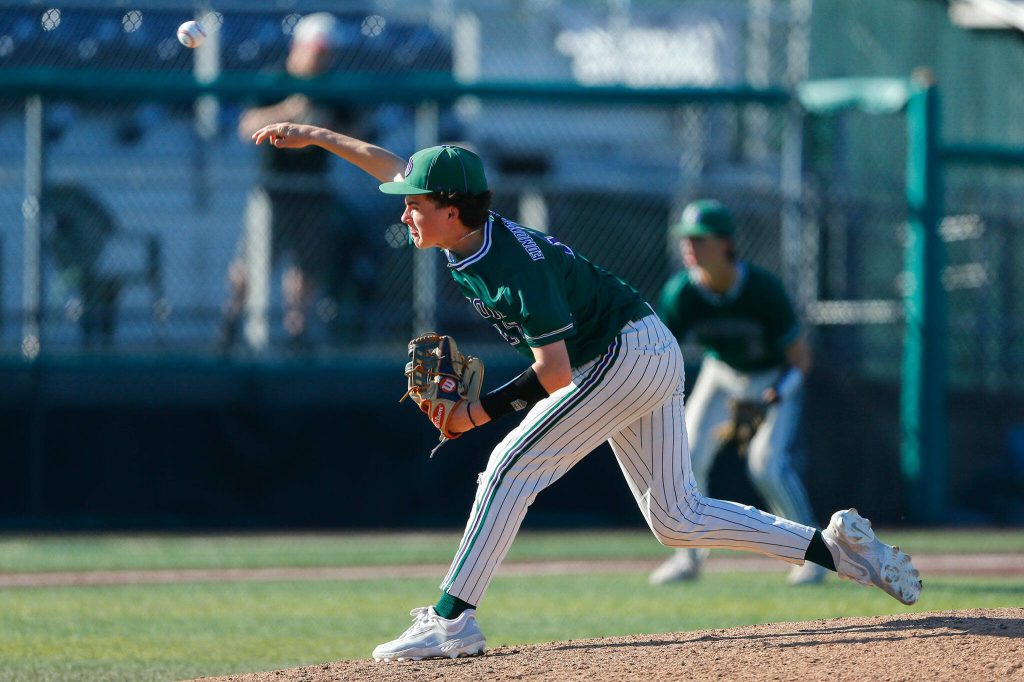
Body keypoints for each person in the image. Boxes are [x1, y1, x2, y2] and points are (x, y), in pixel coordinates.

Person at [250, 122, 922, 662]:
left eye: (417, 206)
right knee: (676, 519)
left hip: (621, 355)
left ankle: (452, 622)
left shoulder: (512, 268)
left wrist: (474, 414)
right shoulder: (466, 230)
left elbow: (554, 374)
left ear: (452, 210)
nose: (405, 214)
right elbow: (391, 164)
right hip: (644, 346)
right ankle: (842, 552)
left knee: (509, 468)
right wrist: (317, 137)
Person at [648, 199, 824, 587]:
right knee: (687, 458)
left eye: (700, 239)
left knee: (767, 465)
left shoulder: (762, 290)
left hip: (774, 380)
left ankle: (815, 556)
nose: (690, 247)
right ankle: (688, 559)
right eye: (686, 240)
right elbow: (660, 353)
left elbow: (801, 359)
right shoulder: (682, 294)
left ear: (726, 243)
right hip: (722, 375)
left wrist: (775, 395)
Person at [220, 12, 375, 352]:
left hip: (314, 189)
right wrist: (287, 111)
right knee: (250, 262)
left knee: (307, 263)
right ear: (299, 47)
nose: (323, 58)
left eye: (327, 52)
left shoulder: (333, 87)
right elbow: (246, 127)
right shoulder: (274, 80)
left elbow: (360, 132)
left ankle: (296, 332)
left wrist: (325, 128)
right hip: (273, 189)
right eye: (317, 51)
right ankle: (230, 325)